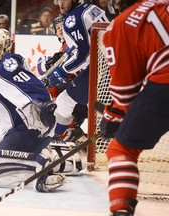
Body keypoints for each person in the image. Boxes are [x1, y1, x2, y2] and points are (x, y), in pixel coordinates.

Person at [0, 27, 86, 191]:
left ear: (7, 47)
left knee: (1, 166)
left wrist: (40, 108)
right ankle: (55, 155)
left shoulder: (7, 64)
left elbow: (37, 94)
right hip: (34, 128)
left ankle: (42, 169)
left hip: (29, 128)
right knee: (8, 156)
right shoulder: (13, 63)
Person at [99, 0, 169, 215]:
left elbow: (125, 92)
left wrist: (113, 116)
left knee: (121, 149)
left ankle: (121, 209)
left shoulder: (121, 24)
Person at [45, 0, 108, 144]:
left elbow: (84, 55)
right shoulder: (91, 7)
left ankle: (56, 139)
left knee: (65, 100)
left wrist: (61, 71)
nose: (60, 3)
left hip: (101, 65)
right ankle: (106, 138)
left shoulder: (73, 18)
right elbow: (84, 45)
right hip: (110, 61)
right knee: (94, 105)